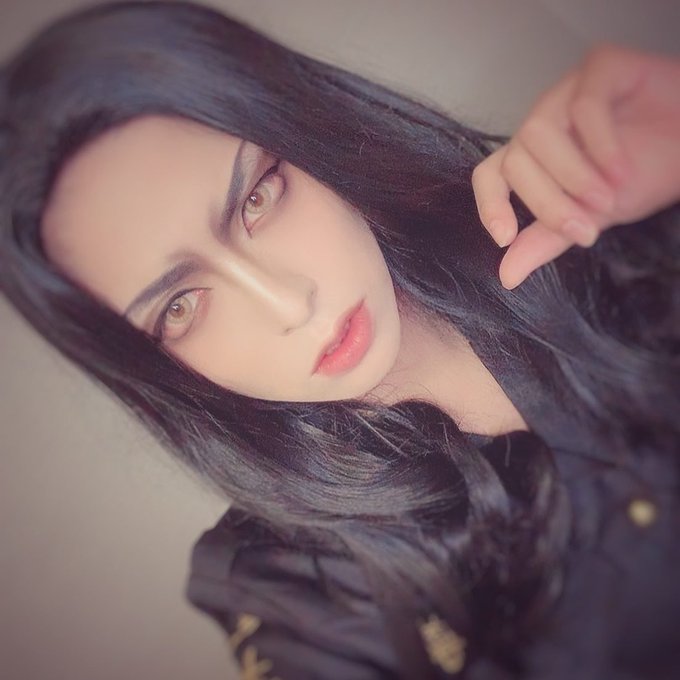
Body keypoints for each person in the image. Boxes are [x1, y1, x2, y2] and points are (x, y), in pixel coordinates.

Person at [0, 2, 678, 678]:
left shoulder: (571, 209)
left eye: (258, 196)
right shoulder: (293, 595)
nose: (290, 303)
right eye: (180, 308)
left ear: (305, 133)